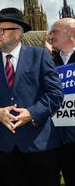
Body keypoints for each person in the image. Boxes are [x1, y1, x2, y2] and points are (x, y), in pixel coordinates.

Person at [0, 7, 64, 186]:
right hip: (5, 148)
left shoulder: (40, 56)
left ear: (17, 32)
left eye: (1, 30)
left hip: (40, 145)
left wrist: (32, 113)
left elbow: (55, 94)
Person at [48, 17, 75, 186]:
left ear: (71, 33)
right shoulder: (49, 62)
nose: (50, 36)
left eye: (55, 32)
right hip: (58, 139)